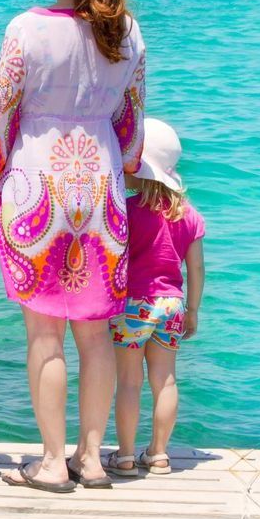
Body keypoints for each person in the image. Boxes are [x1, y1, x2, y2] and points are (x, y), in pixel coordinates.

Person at [0, 0, 144, 495]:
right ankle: (93, 458)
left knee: (44, 335)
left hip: (36, 188)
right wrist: (118, 170)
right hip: (100, 193)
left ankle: (51, 462)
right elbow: (132, 130)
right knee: (96, 335)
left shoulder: (25, 29)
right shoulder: (128, 32)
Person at [110, 117, 206, 477]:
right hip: (171, 305)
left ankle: (124, 455)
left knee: (130, 383)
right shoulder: (190, 216)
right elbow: (195, 269)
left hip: (133, 305)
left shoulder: (129, 211)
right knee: (165, 380)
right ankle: (160, 454)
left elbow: (114, 258)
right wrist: (193, 310)